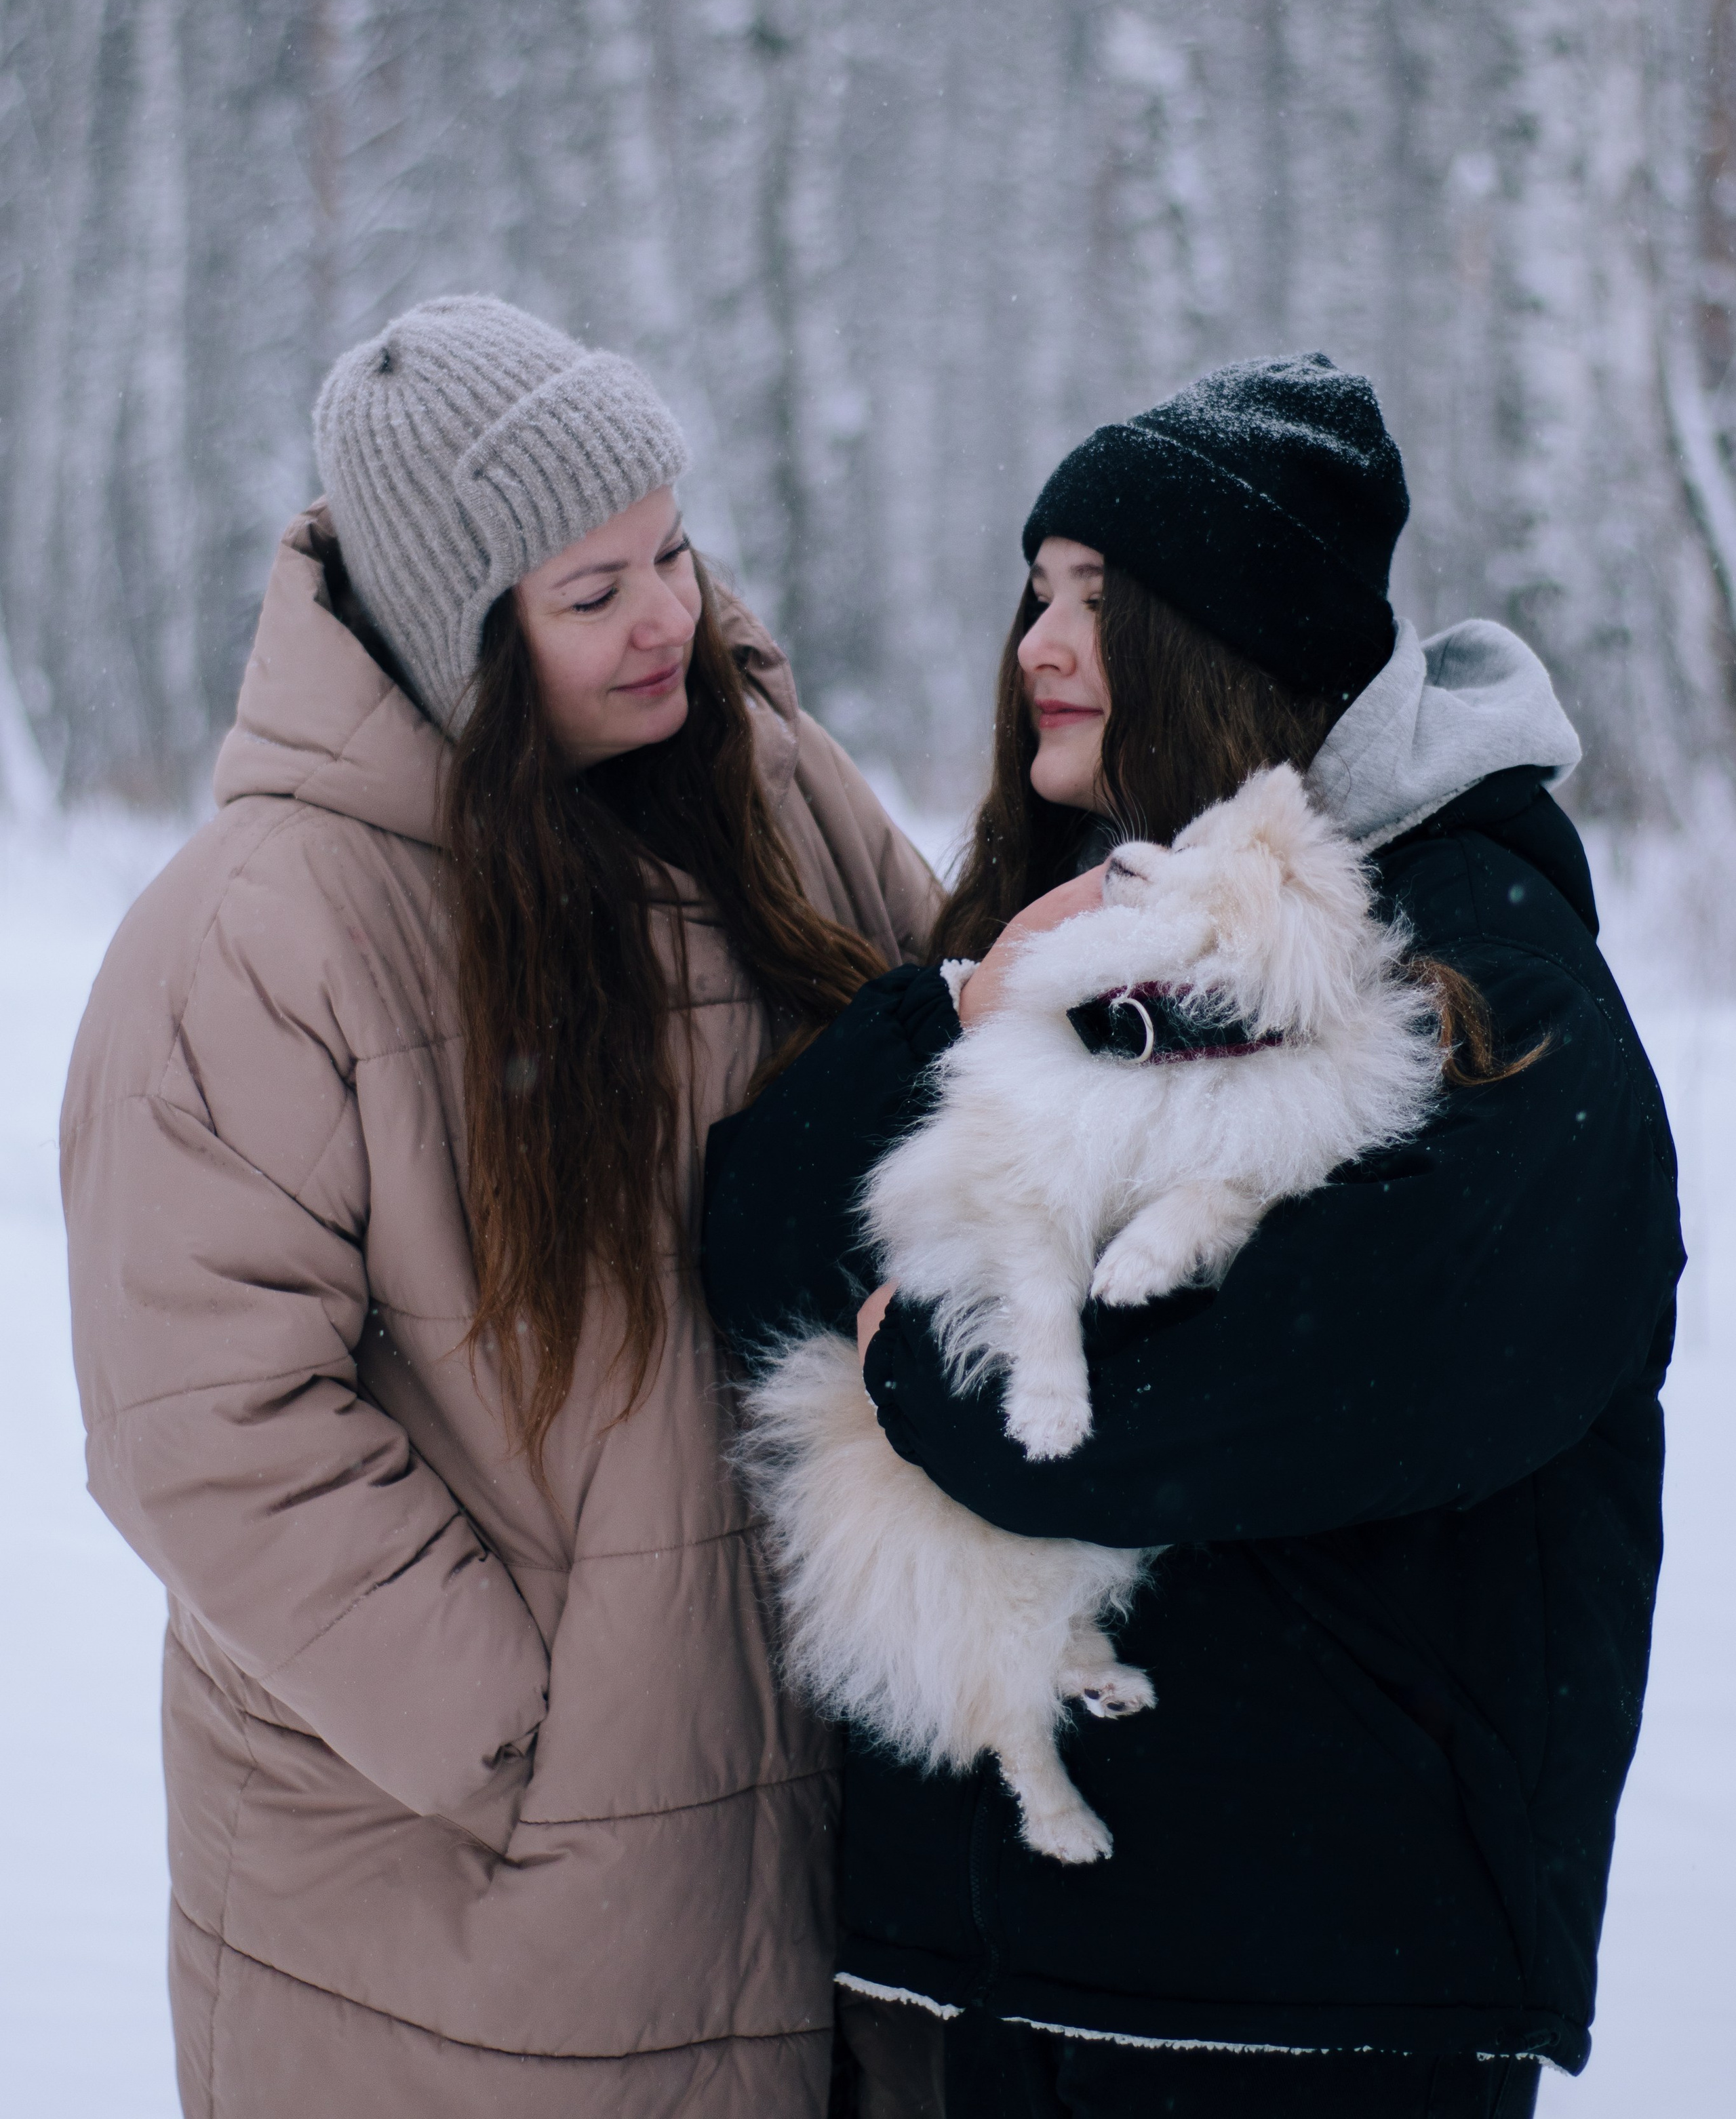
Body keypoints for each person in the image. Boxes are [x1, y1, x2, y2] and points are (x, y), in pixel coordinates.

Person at [702, 354, 1683, 2118]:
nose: (1038, 645)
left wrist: (920, 1361)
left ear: (1232, 650)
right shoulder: (1059, 920)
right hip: (953, 1967)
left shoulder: (1490, 975)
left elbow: (1319, 1376)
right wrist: (947, 1011)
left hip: (1303, 1997)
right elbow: (755, 1250)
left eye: (1099, 599)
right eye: (1037, 591)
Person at [62, 295, 939, 2118]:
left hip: (804, 1833)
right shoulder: (263, 931)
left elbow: (952, 1064)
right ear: (460, 637)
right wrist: (522, 1724)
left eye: (673, 550)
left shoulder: (764, 794)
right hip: (454, 1902)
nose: (668, 617)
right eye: (590, 587)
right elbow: (200, 1426)